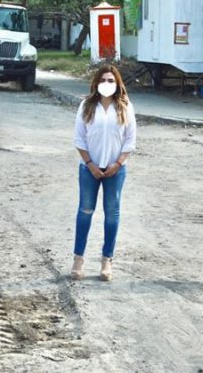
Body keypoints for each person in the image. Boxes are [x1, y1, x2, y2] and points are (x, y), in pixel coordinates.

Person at [71, 64, 136, 282]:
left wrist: (117, 164)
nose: (106, 84)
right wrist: (89, 163)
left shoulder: (125, 107)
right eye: (103, 80)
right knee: (85, 211)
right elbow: (79, 139)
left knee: (112, 213)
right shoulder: (86, 106)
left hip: (115, 170)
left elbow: (130, 140)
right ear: (96, 83)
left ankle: (107, 260)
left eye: (111, 80)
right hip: (89, 168)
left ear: (117, 83)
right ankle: (78, 259)